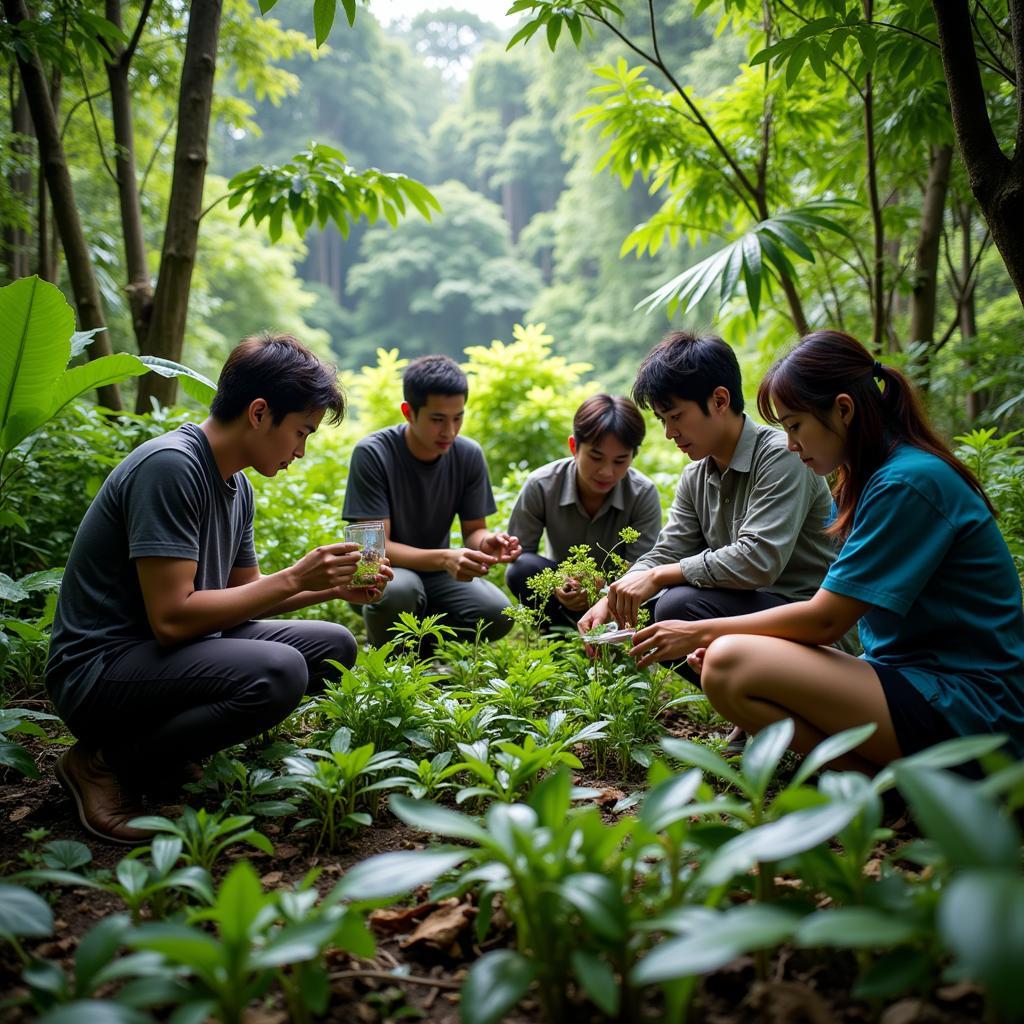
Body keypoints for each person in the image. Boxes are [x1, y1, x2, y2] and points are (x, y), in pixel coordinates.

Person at [46, 333, 392, 845]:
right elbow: (172, 619)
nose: (299, 451)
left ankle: (166, 752)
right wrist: (296, 575)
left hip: (167, 657)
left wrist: (330, 588)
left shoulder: (237, 484)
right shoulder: (171, 466)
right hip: (100, 671)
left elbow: (243, 599)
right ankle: (102, 763)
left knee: (333, 646)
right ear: (258, 413)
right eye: (301, 432)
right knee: (279, 670)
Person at [627, 330, 1024, 769]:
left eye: (795, 426)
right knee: (727, 671)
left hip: (971, 704)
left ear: (843, 410)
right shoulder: (875, 478)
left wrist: (700, 631)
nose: (792, 444)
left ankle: (898, 779)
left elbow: (826, 618)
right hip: (907, 678)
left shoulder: (907, 482)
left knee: (726, 659)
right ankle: (882, 777)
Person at [577, 330, 845, 752]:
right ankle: (752, 712)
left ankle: (776, 714)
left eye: (676, 416)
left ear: (720, 401)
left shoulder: (781, 454)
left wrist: (661, 577)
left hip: (811, 622)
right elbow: (669, 549)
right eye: (663, 421)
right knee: (648, 603)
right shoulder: (696, 475)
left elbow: (760, 561)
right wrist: (614, 595)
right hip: (749, 612)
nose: (669, 433)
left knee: (675, 604)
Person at [343, 354, 520, 647]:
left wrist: (486, 542)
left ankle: (424, 643)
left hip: (435, 573)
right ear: (408, 412)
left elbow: (474, 530)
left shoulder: (468, 454)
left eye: (458, 418)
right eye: (437, 419)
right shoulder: (373, 453)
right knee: (401, 591)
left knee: (498, 613)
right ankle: (387, 658)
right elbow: (375, 550)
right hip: (386, 572)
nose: (449, 431)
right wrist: (445, 557)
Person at [505, 394, 661, 626]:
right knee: (521, 569)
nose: (607, 472)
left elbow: (642, 569)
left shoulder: (643, 493)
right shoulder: (541, 484)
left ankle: (612, 639)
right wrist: (559, 582)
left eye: (620, 461)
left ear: (633, 456)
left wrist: (605, 589)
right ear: (573, 447)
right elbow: (520, 553)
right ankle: (557, 633)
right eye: (596, 457)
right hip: (561, 595)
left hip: (618, 600)